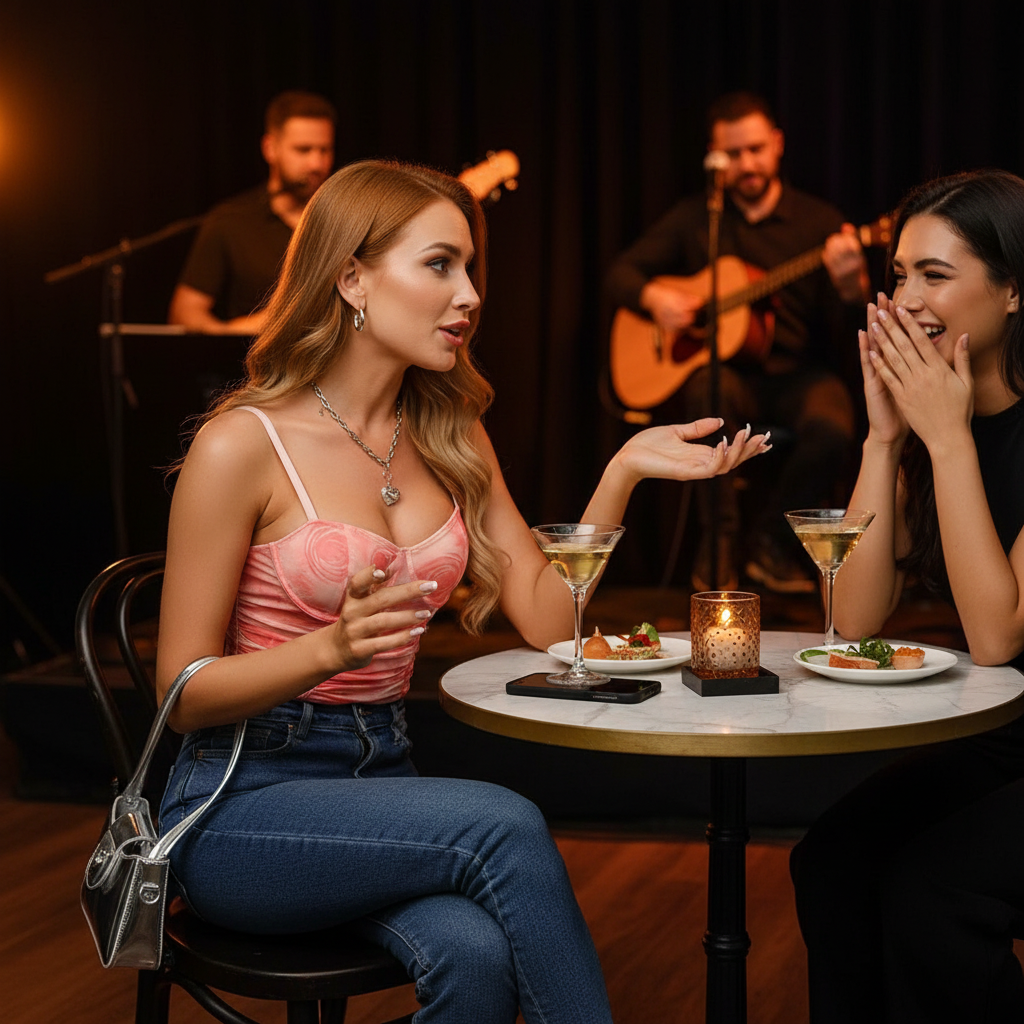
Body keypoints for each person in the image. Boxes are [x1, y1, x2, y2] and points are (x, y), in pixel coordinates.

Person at [155, 159, 770, 1023]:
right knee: (501, 821)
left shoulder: (449, 431)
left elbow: (552, 620)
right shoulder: (242, 443)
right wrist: (328, 649)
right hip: (239, 802)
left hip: (382, 781)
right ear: (352, 278)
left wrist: (622, 473)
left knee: (474, 956)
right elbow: (180, 694)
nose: (471, 293)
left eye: (471, 268)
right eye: (441, 264)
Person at [789, 169, 1024, 1023]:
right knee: (834, 859)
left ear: (1011, 292)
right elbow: (853, 619)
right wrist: (885, 437)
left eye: (935, 275)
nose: (905, 298)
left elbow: (997, 636)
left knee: (935, 893)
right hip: (1008, 735)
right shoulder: (928, 422)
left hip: (1012, 716)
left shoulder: (955, 427)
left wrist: (945, 436)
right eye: (898, 275)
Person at [605, 91, 870, 592]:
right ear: (714, 156)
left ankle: (771, 543)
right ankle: (717, 551)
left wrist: (851, 288)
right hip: (729, 380)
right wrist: (655, 297)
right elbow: (620, 273)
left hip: (799, 375)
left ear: (776, 145)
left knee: (833, 424)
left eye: (755, 149)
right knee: (709, 392)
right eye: (733, 154)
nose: (746, 164)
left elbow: (844, 331)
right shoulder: (697, 219)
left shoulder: (819, 223)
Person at [167, 90, 336, 334]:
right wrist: (241, 332)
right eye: (303, 150)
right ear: (270, 148)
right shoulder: (230, 221)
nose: (317, 164)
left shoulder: (346, 220)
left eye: (325, 150)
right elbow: (184, 314)